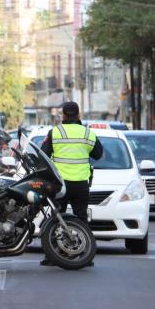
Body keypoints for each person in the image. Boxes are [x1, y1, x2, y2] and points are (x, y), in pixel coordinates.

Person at [40, 101, 103, 266]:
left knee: (55, 219)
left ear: (63, 115)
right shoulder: (87, 133)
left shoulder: (55, 132)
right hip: (81, 183)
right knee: (81, 218)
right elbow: (98, 154)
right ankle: (85, 255)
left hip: (60, 184)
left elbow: (44, 155)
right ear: (78, 114)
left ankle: (53, 256)